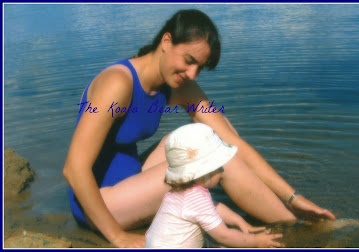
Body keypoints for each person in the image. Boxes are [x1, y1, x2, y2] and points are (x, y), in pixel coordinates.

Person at [62, 9, 335, 248]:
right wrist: (118, 236)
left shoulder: (176, 85)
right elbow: (74, 169)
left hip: (131, 183)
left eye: (200, 67)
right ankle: (297, 232)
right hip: (99, 205)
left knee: (216, 138)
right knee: (215, 162)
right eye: (189, 60)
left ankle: (292, 216)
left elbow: (232, 143)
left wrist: (293, 196)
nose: (192, 74)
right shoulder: (117, 84)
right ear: (166, 41)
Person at [145, 123, 284, 248]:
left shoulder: (180, 192)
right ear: (204, 172)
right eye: (218, 168)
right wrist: (256, 241)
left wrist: (240, 222)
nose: (222, 170)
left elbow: (214, 207)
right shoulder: (196, 199)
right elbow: (224, 236)